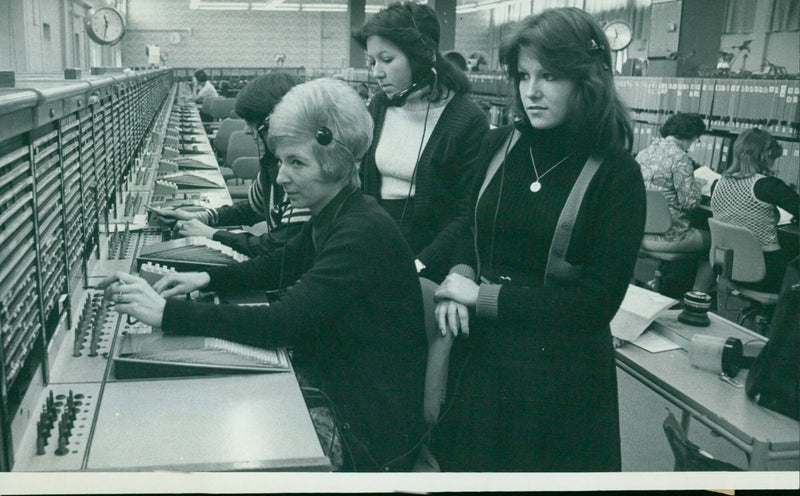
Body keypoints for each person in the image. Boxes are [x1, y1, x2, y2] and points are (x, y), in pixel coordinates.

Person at [101, 78, 427, 472]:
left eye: (297, 163)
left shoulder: (360, 230)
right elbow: (281, 261)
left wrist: (167, 314)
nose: (282, 177)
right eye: (282, 161)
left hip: (365, 431)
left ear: (336, 161)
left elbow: (281, 322)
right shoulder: (341, 213)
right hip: (338, 390)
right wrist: (208, 280)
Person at [431, 7, 646, 472]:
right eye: (523, 74)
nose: (531, 91)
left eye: (549, 75)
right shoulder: (499, 144)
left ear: (586, 80)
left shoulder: (617, 174)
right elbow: (471, 224)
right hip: (482, 364)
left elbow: (596, 303)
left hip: (556, 383)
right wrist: (458, 277)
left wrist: (482, 296)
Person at [352, 1, 489, 282]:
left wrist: (418, 264)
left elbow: (466, 216)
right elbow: (365, 189)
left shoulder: (468, 119)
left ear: (421, 57)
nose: (377, 72)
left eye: (387, 60)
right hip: (376, 247)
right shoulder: (378, 105)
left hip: (433, 260)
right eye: (372, 62)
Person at [153, 72, 311, 256]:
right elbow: (253, 208)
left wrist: (213, 235)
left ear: (276, 122)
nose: (246, 130)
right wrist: (202, 217)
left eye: (253, 122)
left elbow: (278, 249)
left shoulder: (303, 175)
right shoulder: (271, 163)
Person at [711, 128, 799, 292]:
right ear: (766, 156)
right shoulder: (769, 186)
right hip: (766, 271)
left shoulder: (717, 184)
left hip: (728, 266)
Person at [636, 112, 714, 293]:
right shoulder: (680, 158)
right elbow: (689, 202)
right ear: (691, 135)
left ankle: (668, 283)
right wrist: (697, 188)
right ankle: (695, 298)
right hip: (671, 236)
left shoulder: (643, 154)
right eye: (697, 139)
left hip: (641, 234)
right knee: (718, 243)